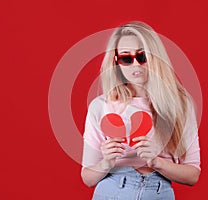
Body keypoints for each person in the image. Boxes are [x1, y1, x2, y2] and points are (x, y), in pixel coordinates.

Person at [81, 21, 201, 200]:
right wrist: (106, 162)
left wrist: (156, 161)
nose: (135, 64)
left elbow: (192, 175)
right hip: (112, 191)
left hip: (159, 192)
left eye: (142, 56)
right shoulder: (101, 106)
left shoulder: (180, 105)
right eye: (126, 58)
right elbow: (88, 178)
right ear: (116, 61)